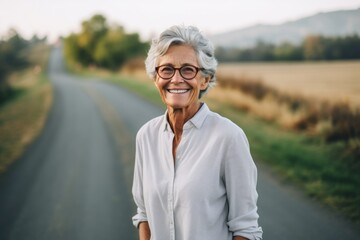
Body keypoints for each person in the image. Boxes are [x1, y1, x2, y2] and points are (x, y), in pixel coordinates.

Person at [132, 25, 263, 240]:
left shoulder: (228, 137)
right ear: (155, 78)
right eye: (166, 69)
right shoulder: (146, 136)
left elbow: (246, 229)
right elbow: (144, 213)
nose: (176, 79)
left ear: (205, 79)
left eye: (187, 69)